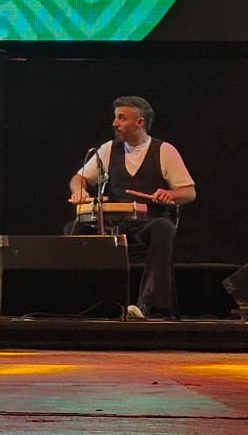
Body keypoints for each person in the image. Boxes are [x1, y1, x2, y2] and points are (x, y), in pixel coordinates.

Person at [67, 95, 196, 319]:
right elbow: (79, 178)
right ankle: (83, 302)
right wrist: (80, 191)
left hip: (147, 223)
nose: (114, 123)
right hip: (114, 222)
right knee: (74, 228)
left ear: (140, 122)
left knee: (163, 228)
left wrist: (170, 194)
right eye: (115, 118)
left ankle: (149, 305)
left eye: (121, 118)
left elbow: (189, 192)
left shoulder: (164, 151)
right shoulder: (108, 149)